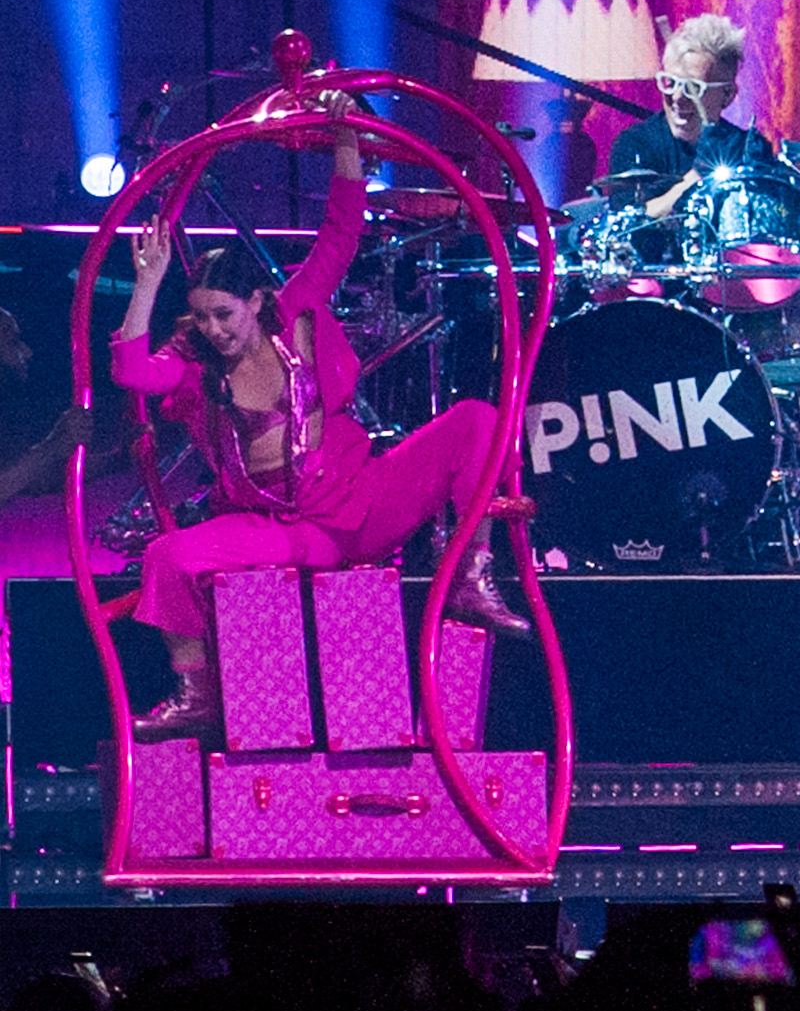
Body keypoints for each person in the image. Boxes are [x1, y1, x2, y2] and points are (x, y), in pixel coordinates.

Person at [112, 138, 532, 739]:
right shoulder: (197, 362)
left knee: (475, 420)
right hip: (287, 529)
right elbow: (131, 374)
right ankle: (197, 693)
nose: (213, 329)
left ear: (256, 302)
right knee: (165, 557)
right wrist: (147, 285)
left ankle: (471, 573)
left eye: (224, 315)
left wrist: (344, 143)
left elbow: (339, 235)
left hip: (361, 502)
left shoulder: (296, 317)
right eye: (202, 317)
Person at [598, 14, 774, 199]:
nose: (678, 97)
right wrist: (698, 177)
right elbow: (634, 222)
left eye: (693, 88)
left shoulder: (748, 150)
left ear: (728, 95)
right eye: (670, 82)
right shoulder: (636, 145)